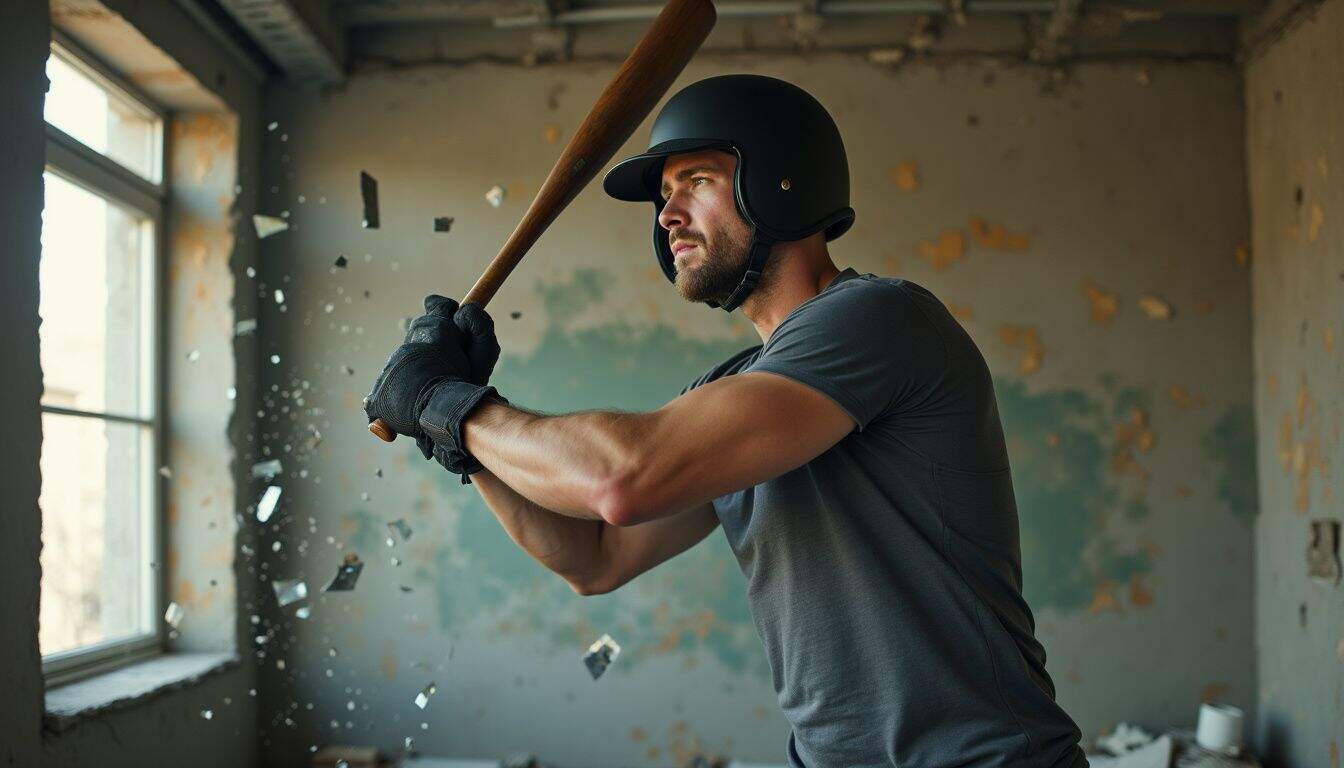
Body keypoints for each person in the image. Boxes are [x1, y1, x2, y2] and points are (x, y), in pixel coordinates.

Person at [364, 74, 1088, 768]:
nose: (668, 215)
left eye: (697, 183)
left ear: (781, 182)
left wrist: (450, 406)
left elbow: (622, 478)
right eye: (664, 196)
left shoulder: (877, 320)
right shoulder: (734, 389)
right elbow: (594, 555)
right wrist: (463, 438)